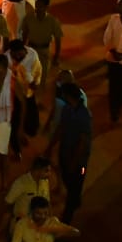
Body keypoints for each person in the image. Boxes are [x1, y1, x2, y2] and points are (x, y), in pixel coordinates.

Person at [49, 82, 91, 223]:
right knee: (68, 179)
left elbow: (83, 143)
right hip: (65, 155)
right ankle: (75, 200)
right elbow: (61, 128)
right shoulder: (67, 109)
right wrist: (50, 146)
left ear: (68, 96)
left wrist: (74, 162)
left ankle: (67, 218)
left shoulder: (84, 115)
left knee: (75, 186)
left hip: (79, 162)